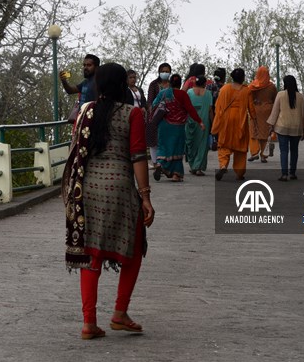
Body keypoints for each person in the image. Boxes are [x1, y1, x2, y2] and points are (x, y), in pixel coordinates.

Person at [62, 63, 155, 340]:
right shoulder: (132, 113)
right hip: (120, 189)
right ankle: (119, 312)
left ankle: (89, 322)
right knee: (133, 248)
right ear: (123, 85)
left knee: (91, 252)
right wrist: (146, 196)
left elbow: (75, 148)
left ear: (100, 86)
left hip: (87, 189)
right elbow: (138, 156)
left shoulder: (85, 112)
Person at [150, 73, 204, 182]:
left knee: (163, 147)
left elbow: (154, 105)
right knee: (177, 149)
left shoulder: (162, 93)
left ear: (170, 83)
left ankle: (160, 163)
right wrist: (200, 121)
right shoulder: (183, 94)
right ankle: (175, 174)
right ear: (180, 84)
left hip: (164, 125)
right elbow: (190, 109)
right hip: (178, 127)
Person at [212, 68, 255, 181]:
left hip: (226, 121)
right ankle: (239, 173)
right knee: (240, 149)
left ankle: (223, 165)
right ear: (243, 78)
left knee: (224, 145)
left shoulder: (225, 88)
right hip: (240, 121)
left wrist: (217, 121)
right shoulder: (247, 91)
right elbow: (251, 108)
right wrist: (254, 120)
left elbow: (218, 107)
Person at [267, 75, 304, 181]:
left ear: (285, 84)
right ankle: (292, 173)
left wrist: (271, 125)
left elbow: (275, 112)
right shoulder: (301, 97)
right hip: (296, 128)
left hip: (282, 127)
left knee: (283, 151)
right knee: (294, 151)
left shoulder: (280, 95)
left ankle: (284, 174)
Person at [248, 66, 278, 163]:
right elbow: (275, 99)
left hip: (256, 109)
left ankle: (254, 152)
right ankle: (263, 155)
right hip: (268, 111)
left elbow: (248, 97)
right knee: (265, 132)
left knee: (254, 131)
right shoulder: (272, 86)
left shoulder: (253, 86)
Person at [185, 75, 213, 176]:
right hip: (204, 122)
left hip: (191, 122)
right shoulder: (208, 94)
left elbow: (186, 107)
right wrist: (213, 122)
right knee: (202, 145)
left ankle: (193, 166)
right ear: (205, 83)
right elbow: (210, 110)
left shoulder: (189, 92)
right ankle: (198, 167)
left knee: (191, 143)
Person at [146, 62, 171, 170]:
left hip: (169, 116)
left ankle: (165, 163)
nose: (165, 73)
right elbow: (150, 101)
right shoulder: (153, 84)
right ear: (159, 72)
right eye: (163, 71)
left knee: (166, 140)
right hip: (155, 116)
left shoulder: (172, 84)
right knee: (154, 141)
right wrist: (152, 114)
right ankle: (156, 163)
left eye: (167, 71)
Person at [61, 54, 100, 122]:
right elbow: (70, 91)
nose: (85, 67)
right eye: (84, 65)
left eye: (89, 65)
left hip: (93, 120)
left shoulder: (99, 81)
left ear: (96, 67)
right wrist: (64, 81)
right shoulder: (86, 82)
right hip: (83, 118)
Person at [209, 67, 228, 151]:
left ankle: (214, 141)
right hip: (224, 112)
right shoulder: (226, 88)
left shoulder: (209, 86)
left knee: (214, 127)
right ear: (224, 77)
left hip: (212, 111)